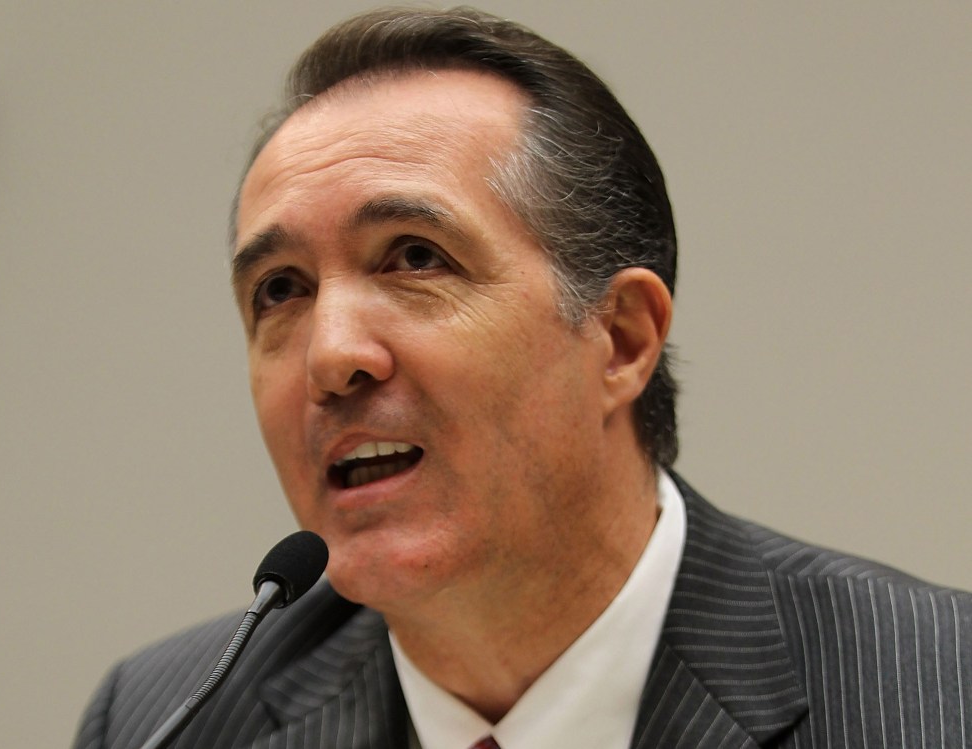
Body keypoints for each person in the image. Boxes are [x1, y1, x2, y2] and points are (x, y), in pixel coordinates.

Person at [73, 7, 971, 748]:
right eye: (281, 289)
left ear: (620, 339)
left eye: (414, 257)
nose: (330, 356)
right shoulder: (164, 722)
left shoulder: (938, 693)